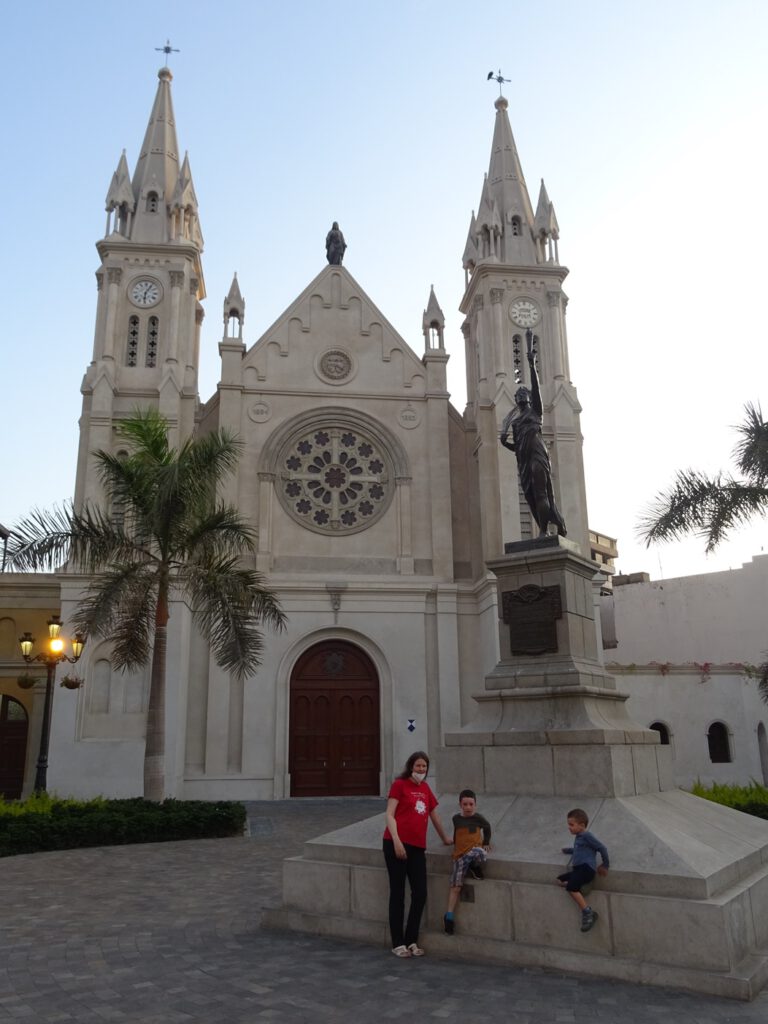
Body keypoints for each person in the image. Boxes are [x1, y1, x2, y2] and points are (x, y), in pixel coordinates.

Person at [383, 751, 452, 957]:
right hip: (395, 844)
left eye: (424, 767)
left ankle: (411, 939)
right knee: (397, 893)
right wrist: (396, 840)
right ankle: (398, 942)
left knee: (420, 892)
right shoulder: (400, 785)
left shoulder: (425, 788)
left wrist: (446, 838)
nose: (421, 770)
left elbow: (434, 816)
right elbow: (389, 814)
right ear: (410, 766)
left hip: (417, 847)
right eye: (418, 766)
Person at [500, 330, 566, 538]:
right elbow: (517, 446)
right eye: (517, 394)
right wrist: (504, 442)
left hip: (538, 455)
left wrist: (531, 364)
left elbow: (536, 387)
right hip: (524, 460)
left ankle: (546, 530)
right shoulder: (516, 420)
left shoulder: (535, 411)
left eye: (522, 393)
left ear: (528, 397)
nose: (519, 394)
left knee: (541, 494)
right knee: (529, 496)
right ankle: (551, 525)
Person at [443, 789, 492, 935]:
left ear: (475, 805)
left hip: (475, 850)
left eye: (471, 804)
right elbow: (457, 833)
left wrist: (486, 841)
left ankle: (475, 866)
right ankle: (449, 916)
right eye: (465, 804)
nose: (468, 807)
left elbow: (487, 827)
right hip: (460, 856)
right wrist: (454, 842)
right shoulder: (456, 819)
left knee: (480, 853)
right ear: (460, 805)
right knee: (455, 886)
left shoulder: (479, 819)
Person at [557, 808, 609, 932]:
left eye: (571, 824)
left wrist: (605, 864)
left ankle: (587, 912)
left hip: (586, 868)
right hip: (578, 869)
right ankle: (581, 887)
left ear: (581, 825)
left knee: (571, 888)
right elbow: (580, 849)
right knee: (559, 880)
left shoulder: (586, 835)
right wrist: (568, 850)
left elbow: (602, 848)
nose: (569, 827)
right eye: (568, 824)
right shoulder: (579, 837)